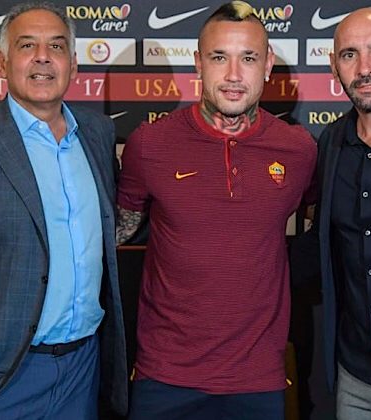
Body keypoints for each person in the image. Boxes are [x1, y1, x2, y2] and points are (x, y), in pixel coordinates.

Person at [117, 1, 316, 418]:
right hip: (164, 377)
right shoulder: (149, 144)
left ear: (268, 66)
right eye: (219, 57)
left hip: (257, 380)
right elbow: (116, 232)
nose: (233, 75)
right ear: (198, 64)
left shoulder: (298, 150)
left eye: (248, 58)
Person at [0, 2, 127, 418]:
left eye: (56, 46)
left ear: (73, 64)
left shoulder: (97, 132)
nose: (42, 57)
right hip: (9, 370)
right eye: (27, 45)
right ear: (2, 62)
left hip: (83, 368)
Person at [292, 7, 371, 419]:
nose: (364, 68)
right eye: (349, 54)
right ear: (333, 66)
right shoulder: (330, 143)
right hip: (355, 380)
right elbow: (320, 245)